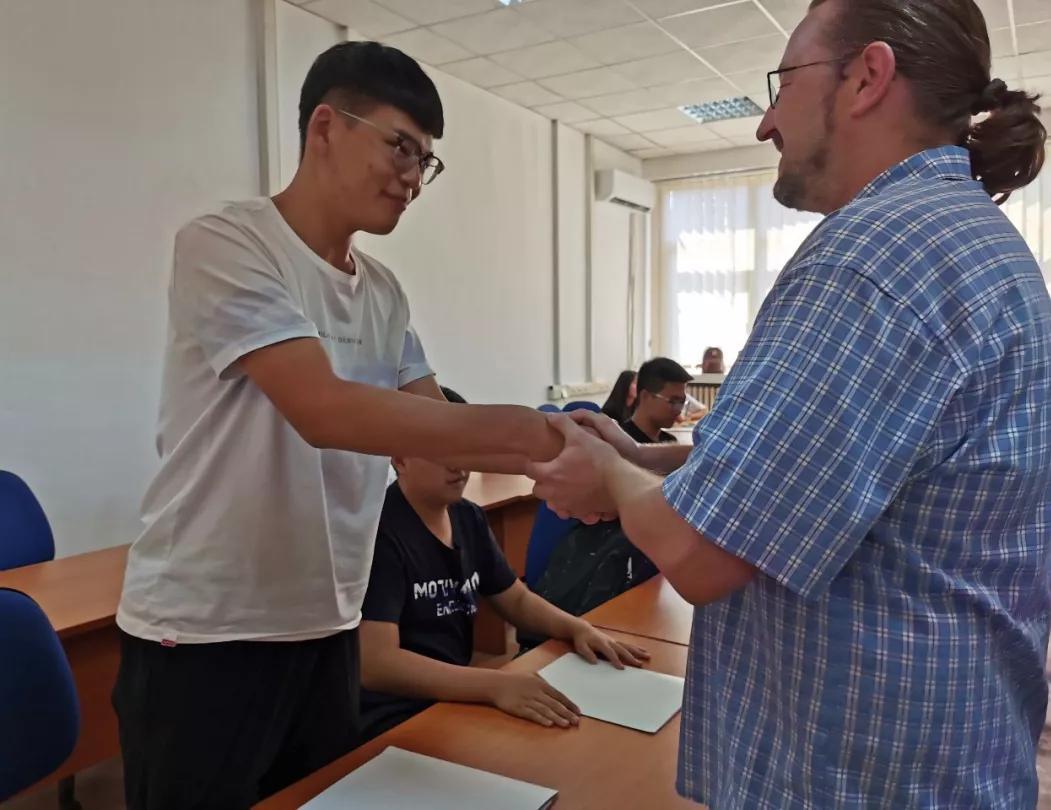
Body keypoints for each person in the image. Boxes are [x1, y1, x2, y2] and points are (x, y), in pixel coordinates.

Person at [527, 1, 1051, 807]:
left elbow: (700, 554)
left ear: (867, 77)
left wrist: (607, 476)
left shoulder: (872, 256)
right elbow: (823, 469)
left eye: (782, 84)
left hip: (859, 778)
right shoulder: (963, 236)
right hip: (947, 755)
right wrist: (642, 459)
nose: (765, 123)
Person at [112, 42, 562, 810]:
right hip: (206, 630)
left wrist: (585, 451)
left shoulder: (383, 292)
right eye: (401, 147)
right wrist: (536, 433)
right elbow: (323, 410)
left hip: (328, 625)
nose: (413, 177)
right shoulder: (228, 244)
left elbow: (436, 427)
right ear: (325, 127)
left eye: (426, 161)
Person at [358, 386, 648, 741]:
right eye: (440, 451)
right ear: (400, 459)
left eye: (463, 448)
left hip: (454, 697)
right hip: (393, 716)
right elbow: (377, 664)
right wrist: (494, 685)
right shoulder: (381, 531)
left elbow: (515, 599)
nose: (457, 464)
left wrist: (577, 628)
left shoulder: (466, 517)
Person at [620, 357, 692, 445]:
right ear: (645, 397)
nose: (678, 411)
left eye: (682, 402)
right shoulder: (621, 442)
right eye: (673, 401)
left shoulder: (669, 441)